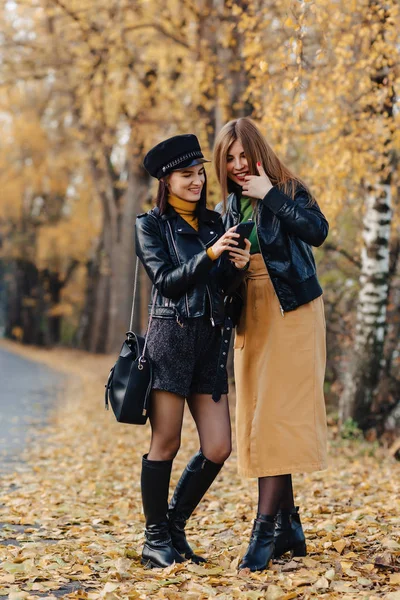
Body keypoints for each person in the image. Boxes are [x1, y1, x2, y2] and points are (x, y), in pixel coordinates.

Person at [213, 117, 329, 572]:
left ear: (258, 151)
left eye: (245, 155)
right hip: (253, 315)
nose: (239, 165)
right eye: (230, 158)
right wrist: (234, 266)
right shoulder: (227, 209)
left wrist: (271, 196)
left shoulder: (288, 188)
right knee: (261, 416)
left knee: (276, 418)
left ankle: (263, 534)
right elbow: (221, 280)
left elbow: (317, 231)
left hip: (294, 310)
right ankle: (289, 527)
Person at [135, 134, 250, 569]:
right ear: (166, 181)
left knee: (218, 446)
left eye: (200, 173)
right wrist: (210, 254)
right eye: (187, 175)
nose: (197, 181)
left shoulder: (217, 222)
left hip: (210, 342)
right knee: (166, 440)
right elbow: (166, 280)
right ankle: (154, 539)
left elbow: (221, 288)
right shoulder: (150, 225)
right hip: (171, 340)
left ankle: (174, 525)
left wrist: (236, 270)